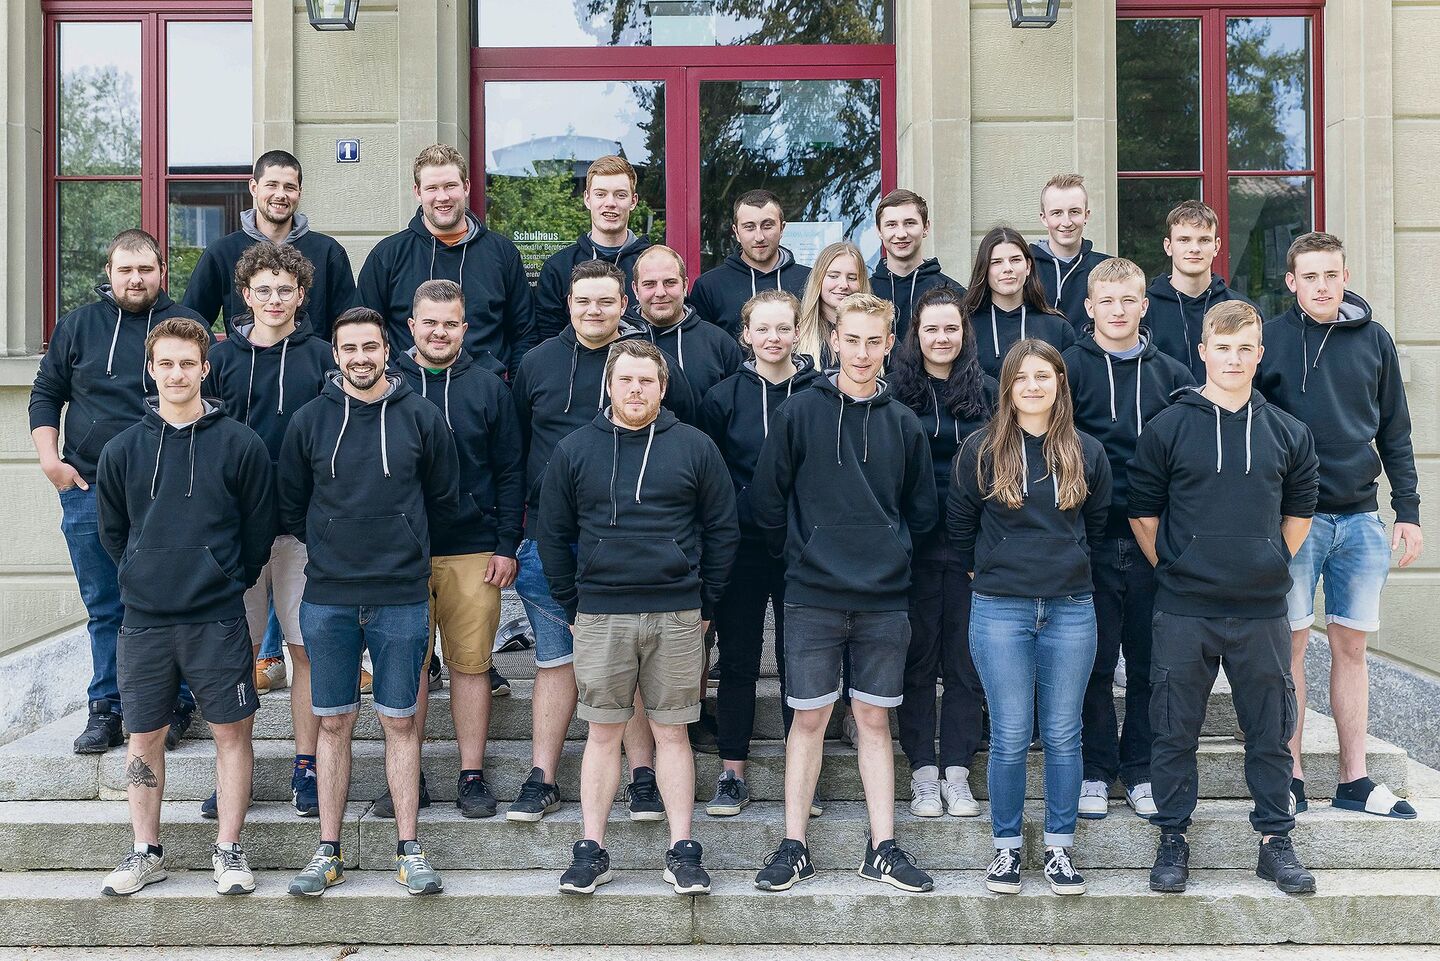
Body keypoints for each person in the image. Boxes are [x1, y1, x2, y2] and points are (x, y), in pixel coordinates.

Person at [749, 292, 939, 894]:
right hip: (812, 593)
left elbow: (922, 511)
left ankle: (882, 848)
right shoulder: (800, 412)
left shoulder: (903, 423)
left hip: (884, 596)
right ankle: (794, 845)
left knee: (874, 720)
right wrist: (800, 555)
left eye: (873, 341)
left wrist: (892, 554)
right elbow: (767, 499)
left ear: (889, 346)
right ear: (834, 341)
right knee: (808, 719)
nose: (861, 352)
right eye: (851, 339)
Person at [1129, 300, 1321, 895]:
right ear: (1203, 352)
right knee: (1173, 729)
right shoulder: (1168, 427)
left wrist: (1267, 562)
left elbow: (1300, 512)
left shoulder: (1288, 432)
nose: (1234, 359)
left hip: (1261, 609)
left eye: (1245, 349)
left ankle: (1274, 840)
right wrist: (1178, 568)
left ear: (1260, 354)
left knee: (1270, 731)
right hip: (1185, 607)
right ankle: (1172, 838)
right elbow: (1143, 512)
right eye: (1223, 348)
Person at [538, 340, 738, 895]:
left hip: (677, 612)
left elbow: (723, 529)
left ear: (662, 386)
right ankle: (591, 849)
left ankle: (683, 850)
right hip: (602, 613)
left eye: (646, 381)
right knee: (603, 734)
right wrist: (573, 605)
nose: (635, 390)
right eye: (625, 380)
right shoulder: (575, 449)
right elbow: (552, 533)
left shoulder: (695, 446)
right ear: (608, 384)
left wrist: (706, 605)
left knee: (673, 734)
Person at [507, 260, 698, 824]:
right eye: (584, 300)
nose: (594, 310)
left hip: (630, 544)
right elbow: (514, 452)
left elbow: (684, 437)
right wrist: (511, 536)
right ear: (568, 304)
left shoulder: (645, 365)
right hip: (550, 539)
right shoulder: (537, 363)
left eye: (606, 301)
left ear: (624, 305)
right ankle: (541, 776)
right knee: (554, 660)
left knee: (630, 661)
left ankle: (642, 777)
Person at [279, 307, 459, 898]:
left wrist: (403, 544)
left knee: (400, 721)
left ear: (388, 350)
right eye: (350, 348)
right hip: (329, 595)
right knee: (333, 722)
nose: (361, 358)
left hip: (401, 595)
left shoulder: (421, 416)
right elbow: (291, 502)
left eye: (371, 347)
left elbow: (443, 495)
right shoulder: (309, 421)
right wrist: (332, 543)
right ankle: (327, 851)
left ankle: (409, 851)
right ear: (335, 355)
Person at [95, 317, 277, 896]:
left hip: (216, 616)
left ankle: (229, 850)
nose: (177, 374)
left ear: (205, 368)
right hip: (145, 621)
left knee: (232, 734)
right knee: (143, 736)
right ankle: (145, 851)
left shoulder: (240, 444)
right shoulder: (122, 450)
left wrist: (226, 578)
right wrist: (140, 574)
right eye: (166, 363)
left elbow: (259, 530)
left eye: (187, 363)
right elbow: (112, 533)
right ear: (151, 369)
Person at [1258, 231, 1422, 820]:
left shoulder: (1375, 340)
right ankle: (1292, 776)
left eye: (1331, 275)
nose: (1322, 286)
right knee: (1292, 646)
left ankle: (1355, 779)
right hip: (1295, 519)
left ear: (1345, 277)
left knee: (1351, 647)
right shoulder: (1271, 340)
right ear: (1291, 282)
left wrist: (1408, 511)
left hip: (1360, 517)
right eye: (1310, 276)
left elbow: (1395, 430)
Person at [30, 229, 211, 755]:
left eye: (145, 269)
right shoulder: (78, 326)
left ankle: (175, 704)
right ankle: (106, 708)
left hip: (169, 493)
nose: (136, 279)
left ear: (162, 272)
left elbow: (211, 401)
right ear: (108, 273)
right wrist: (50, 461)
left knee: (173, 600)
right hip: (88, 488)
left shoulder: (186, 326)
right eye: (125, 270)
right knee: (106, 605)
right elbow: (46, 393)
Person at [948, 339, 1111, 896]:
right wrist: (990, 571)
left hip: (1070, 607)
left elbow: (1098, 522)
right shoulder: (981, 450)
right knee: (1011, 732)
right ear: (1008, 388)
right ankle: (1007, 849)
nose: (1033, 386)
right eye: (1022, 377)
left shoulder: (1086, 451)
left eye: (1044, 376)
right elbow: (960, 525)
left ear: (1060, 384)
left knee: (1064, 733)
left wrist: (1067, 564)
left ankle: (1060, 849)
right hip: (1001, 607)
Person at [384, 279, 525, 820]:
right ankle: (409, 774)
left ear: (465, 329)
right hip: (401, 553)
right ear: (411, 325)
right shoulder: (388, 385)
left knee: (471, 665)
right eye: (430, 322)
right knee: (409, 668)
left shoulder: (489, 387)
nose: (439, 332)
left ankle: (471, 775)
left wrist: (506, 543)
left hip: (473, 549)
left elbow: (510, 471)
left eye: (450, 323)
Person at [207, 241, 336, 820]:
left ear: (301, 295)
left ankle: (306, 766)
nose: (275, 299)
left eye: (286, 289)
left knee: (305, 649)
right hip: (235, 533)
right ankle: (236, 771)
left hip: (303, 532)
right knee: (234, 653)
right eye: (264, 289)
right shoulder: (220, 360)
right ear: (246, 294)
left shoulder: (324, 357)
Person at [1062, 258, 1193, 822]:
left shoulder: (1174, 373)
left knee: (1148, 664)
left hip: (1152, 540)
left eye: (1128, 300)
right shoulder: (1066, 368)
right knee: (1092, 664)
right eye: (1107, 301)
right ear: (1090, 308)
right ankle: (1096, 769)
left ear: (1144, 305)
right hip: (1085, 539)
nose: (1118, 311)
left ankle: (1139, 770)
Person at [699, 289, 822, 815]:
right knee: (739, 660)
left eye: (784, 328)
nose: (774, 338)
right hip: (742, 546)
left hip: (802, 548)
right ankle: (732, 772)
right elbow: (710, 476)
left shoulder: (819, 393)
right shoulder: (721, 398)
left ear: (798, 332)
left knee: (800, 662)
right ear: (745, 335)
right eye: (763, 329)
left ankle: (802, 777)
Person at [889, 285, 995, 819]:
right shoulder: (894, 391)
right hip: (912, 547)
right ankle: (923, 773)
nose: (941, 337)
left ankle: (957, 770)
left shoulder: (989, 392)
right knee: (917, 659)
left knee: (964, 662)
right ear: (916, 334)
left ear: (964, 332)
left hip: (972, 545)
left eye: (951, 328)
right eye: (931, 328)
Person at [357, 143, 534, 377]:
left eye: (450, 186)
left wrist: (511, 389)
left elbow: (524, 334)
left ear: (466, 187)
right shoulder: (387, 255)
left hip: (486, 394)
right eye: (432, 188)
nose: (442, 197)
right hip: (408, 394)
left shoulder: (502, 253)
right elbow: (365, 333)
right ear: (418, 192)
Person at [182, 150, 357, 339]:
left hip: (313, 358)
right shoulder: (222, 252)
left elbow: (348, 327)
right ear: (254, 188)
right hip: (247, 358)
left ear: (300, 192)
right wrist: (223, 354)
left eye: (289, 187)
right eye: (272, 185)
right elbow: (191, 324)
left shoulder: (328, 252)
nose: (280, 195)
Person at [534, 155, 653, 341]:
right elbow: (548, 339)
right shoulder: (558, 268)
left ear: (633, 201)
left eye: (620, 195)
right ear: (587, 199)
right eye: (600, 194)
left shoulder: (653, 265)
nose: (610, 203)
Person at [1146, 200, 1254, 382]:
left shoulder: (1241, 309)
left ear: (1216, 246)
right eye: (1184, 240)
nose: (1194, 249)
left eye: (1204, 240)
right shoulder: (1143, 310)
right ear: (1168, 246)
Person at [690, 190, 810, 337]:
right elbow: (703, 344)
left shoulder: (810, 280)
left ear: (782, 228)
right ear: (736, 232)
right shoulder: (709, 286)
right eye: (749, 227)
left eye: (767, 226)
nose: (759, 237)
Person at [963, 226, 1076, 379]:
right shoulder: (965, 326)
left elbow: (1068, 387)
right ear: (984, 269)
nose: (1007, 269)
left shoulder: (1057, 328)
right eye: (996, 262)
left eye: (1015, 260)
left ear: (1028, 266)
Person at [633, 245, 743, 400]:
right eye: (649, 284)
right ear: (635, 289)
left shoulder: (719, 344)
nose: (660, 293)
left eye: (670, 282)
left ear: (685, 286)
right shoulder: (619, 339)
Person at [870, 189, 965, 343]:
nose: (901, 234)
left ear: (926, 227)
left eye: (909, 223)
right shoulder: (866, 292)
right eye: (891, 225)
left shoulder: (954, 293)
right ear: (879, 231)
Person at [1030, 173, 1112, 330]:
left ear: (1086, 215)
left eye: (1074, 212)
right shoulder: (1025, 269)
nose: (1066, 222)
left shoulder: (1107, 269)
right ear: (1044, 218)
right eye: (1057, 213)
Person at [795, 241, 870, 370]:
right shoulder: (797, 332)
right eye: (833, 276)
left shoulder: (877, 328)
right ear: (819, 279)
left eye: (852, 278)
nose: (843, 285)